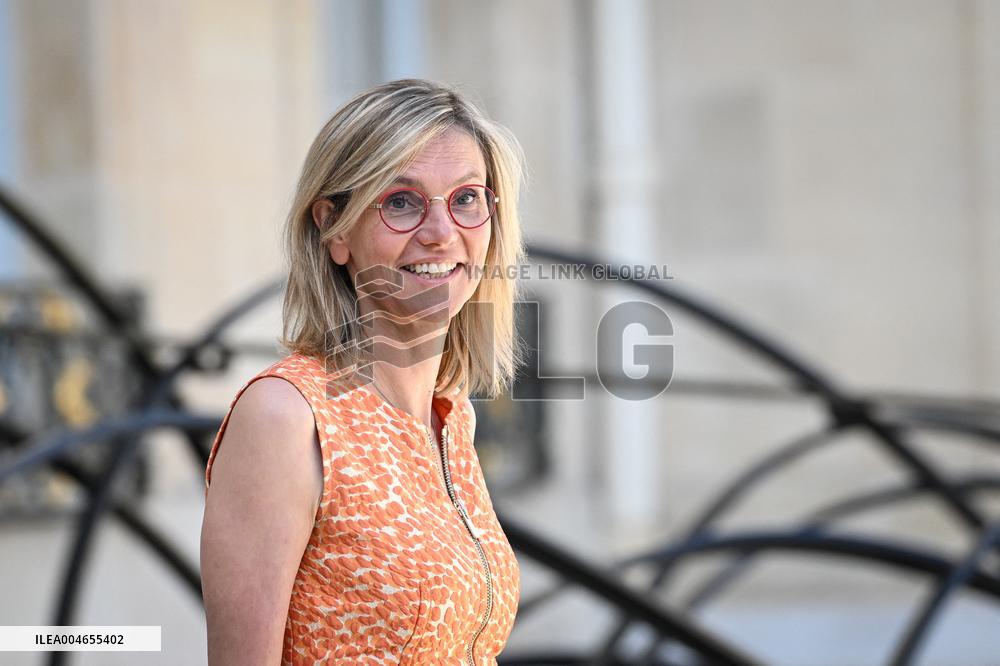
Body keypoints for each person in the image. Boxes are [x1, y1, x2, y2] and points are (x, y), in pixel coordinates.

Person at [200, 79, 527, 665]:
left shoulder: (451, 418)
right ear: (335, 229)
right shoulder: (286, 416)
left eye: (467, 198)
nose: (440, 231)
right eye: (400, 201)